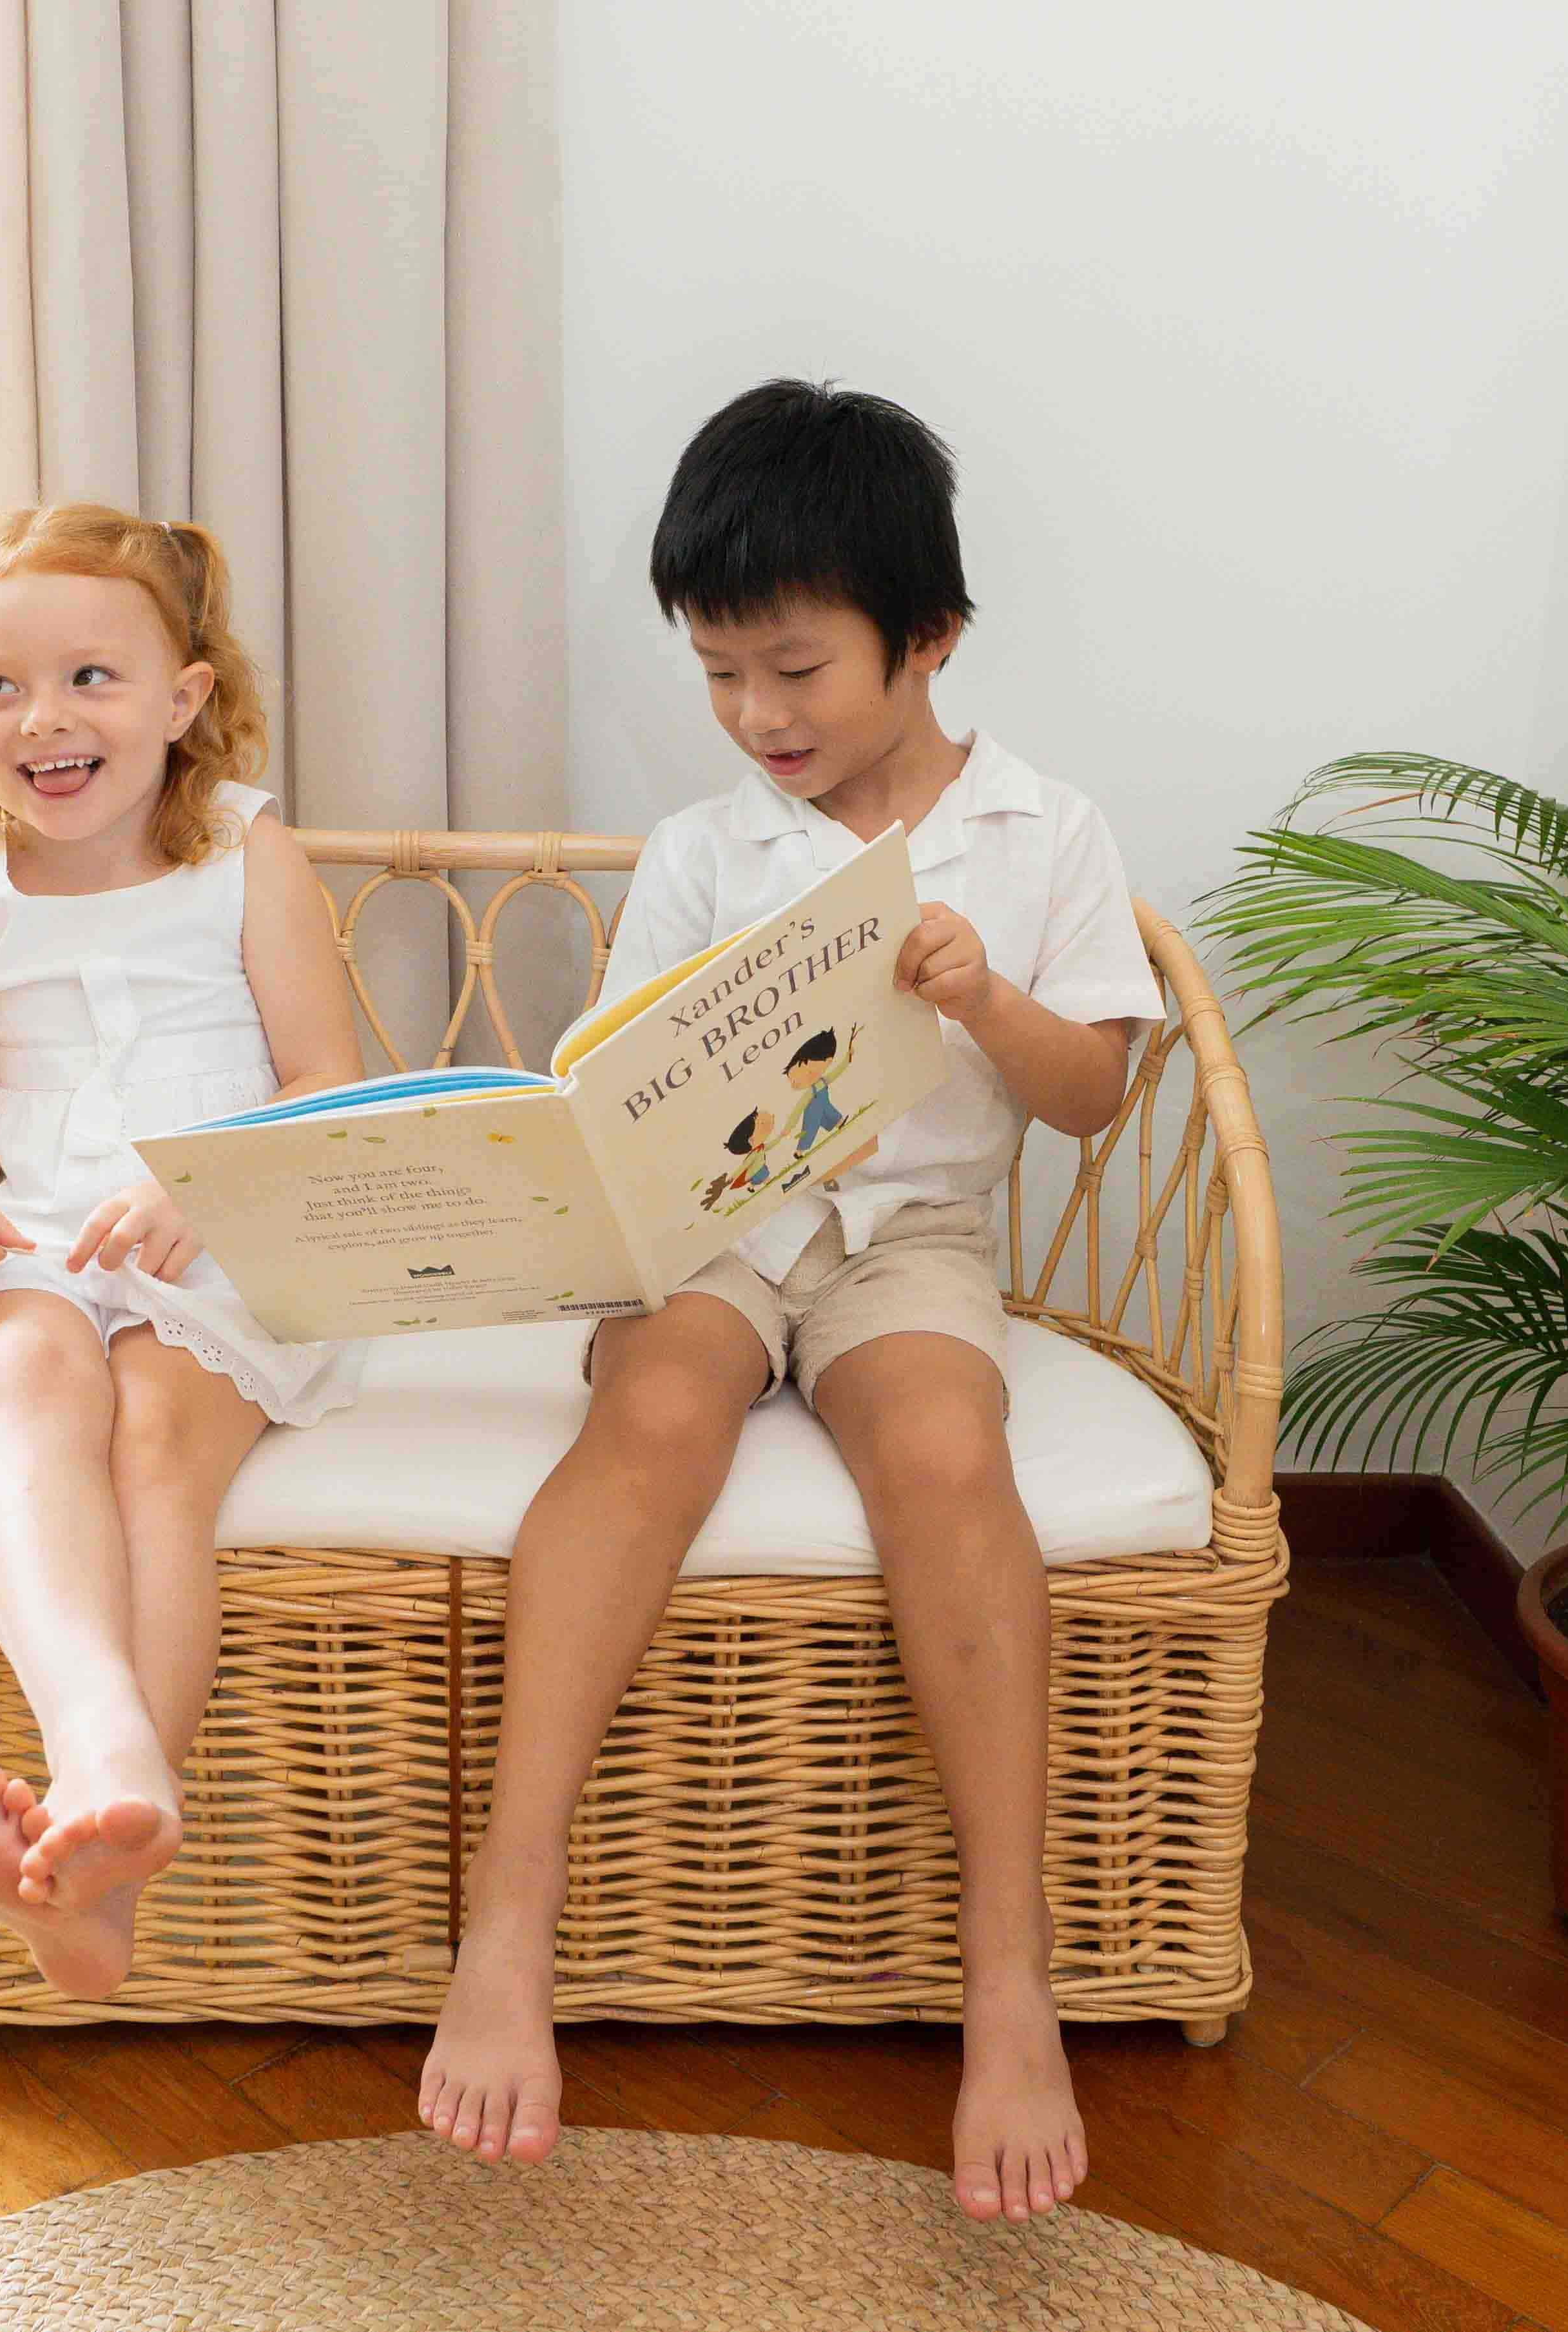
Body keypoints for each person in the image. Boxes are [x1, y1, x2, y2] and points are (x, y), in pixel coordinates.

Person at [418, 381, 1161, 2222]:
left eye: (796, 673)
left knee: (941, 1443)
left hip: (910, 1236)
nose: (758, 719)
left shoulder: (1046, 834)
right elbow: (635, 1087)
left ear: (928, 640)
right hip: (722, 1227)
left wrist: (986, 1000)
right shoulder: (704, 850)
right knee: (654, 1411)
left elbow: (1092, 1097)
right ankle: (508, 1924)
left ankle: (1011, 1979)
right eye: (719, 675)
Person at [0, 502, 365, 2002]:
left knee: (152, 1436)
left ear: (182, 700)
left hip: (226, 1236)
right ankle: (103, 1770)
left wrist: (220, 1186)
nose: (45, 717)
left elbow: (330, 1087)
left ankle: (95, 1847)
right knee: (24, 1373)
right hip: (30, 1243)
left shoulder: (245, 856)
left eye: (91, 677)